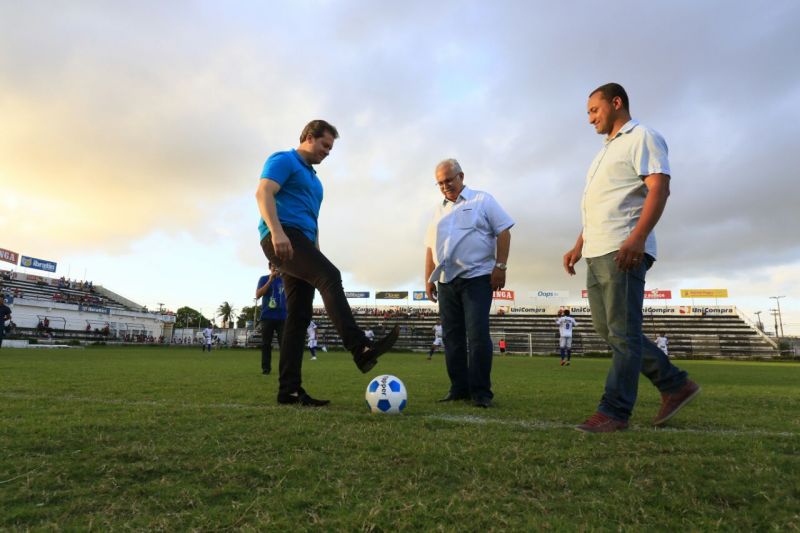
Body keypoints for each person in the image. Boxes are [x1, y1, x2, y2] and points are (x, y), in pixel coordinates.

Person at [563, 83, 700, 433]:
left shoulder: (642, 136)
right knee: (608, 330)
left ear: (616, 102)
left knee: (623, 333)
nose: (590, 118)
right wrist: (579, 244)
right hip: (596, 250)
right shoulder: (605, 150)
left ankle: (614, 411)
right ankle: (674, 383)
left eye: (594, 110)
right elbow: (604, 203)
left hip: (622, 249)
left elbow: (659, 186)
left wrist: (637, 237)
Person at [255, 119, 399, 407]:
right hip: (282, 236)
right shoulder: (284, 160)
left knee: (298, 318)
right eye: (325, 145)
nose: (328, 152)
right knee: (330, 277)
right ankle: (360, 347)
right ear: (309, 136)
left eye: (331, 148)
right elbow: (263, 193)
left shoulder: (316, 182)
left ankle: (290, 391)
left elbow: (313, 222)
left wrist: (315, 250)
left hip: (302, 242)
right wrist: (277, 231)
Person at [425, 158, 514, 408]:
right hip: (446, 281)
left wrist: (501, 265)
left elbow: (504, 230)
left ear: (461, 176)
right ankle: (458, 388)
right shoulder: (438, 210)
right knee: (452, 338)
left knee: (477, 336)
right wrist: (428, 279)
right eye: (440, 183)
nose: (445, 186)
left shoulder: (482, 200)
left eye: (449, 180)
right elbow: (430, 247)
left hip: (476, 278)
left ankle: (481, 392)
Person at [256, 262, 287, 375]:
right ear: (269, 267)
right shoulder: (264, 279)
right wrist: (270, 280)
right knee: (266, 344)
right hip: (267, 316)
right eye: (273, 265)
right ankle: (266, 369)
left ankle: (284, 369)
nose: (276, 268)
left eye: (278, 265)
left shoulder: (286, 280)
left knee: (284, 345)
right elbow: (258, 294)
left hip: (282, 317)